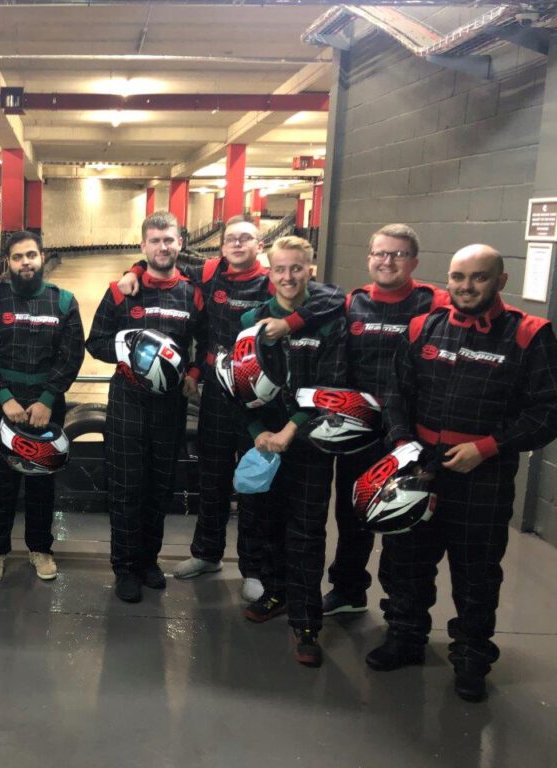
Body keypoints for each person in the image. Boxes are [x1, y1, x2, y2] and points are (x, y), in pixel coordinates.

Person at [117, 215, 344, 602]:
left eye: (246, 239)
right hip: (219, 394)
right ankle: (206, 553)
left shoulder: (275, 278)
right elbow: (162, 258)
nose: (237, 245)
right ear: (221, 247)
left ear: (260, 246)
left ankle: (252, 567)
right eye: (231, 239)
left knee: (253, 483)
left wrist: (292, 321)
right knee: (212, 477)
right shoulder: (210, 274)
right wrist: (133, 269)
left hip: (263, 400)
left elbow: (334, 298)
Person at [372, 244, 557, 702]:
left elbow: (547, 412)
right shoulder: (423, 326)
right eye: (458, 277)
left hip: (483, 474)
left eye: (478, 277)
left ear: (500, 281)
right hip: (420, 467)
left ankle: (472, 656)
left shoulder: (529, 335)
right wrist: (400, 443)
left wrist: (488, 448)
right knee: (405, 559)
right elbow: (396, 393)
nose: (466, 286)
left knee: (476, 572)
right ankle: (406, 636)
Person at [322, 224, 448, 617]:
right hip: (360, 429)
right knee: (352, 510)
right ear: (369, 257)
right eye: (380, 253)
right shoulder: (352, 303)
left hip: (411, 434)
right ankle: (348, 589)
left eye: (396, 254)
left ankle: (400, 608)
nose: (387, 261)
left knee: (403, 519)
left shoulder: (435, 303)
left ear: (413, 261)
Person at [238, 236, 347, 667]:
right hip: (265, 442)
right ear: (269, 273)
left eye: (296, 268)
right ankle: (276, 592)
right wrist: (256, 431)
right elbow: (236, 383)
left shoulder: (329, 323)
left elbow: (330, 386)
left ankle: (306, 622)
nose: (288, 276)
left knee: (306, 532)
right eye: (280, 269)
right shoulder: (251, 319)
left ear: (310, 269)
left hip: (309, 444)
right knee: (266, 524)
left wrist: (290, 431)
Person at [86, 211, 205, 603]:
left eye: (169, 239)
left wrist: (192, 371)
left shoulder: (192, 292)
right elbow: (96, 342)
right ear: (143, 246)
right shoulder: (123, 290)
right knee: (125, 488)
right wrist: (130, 351)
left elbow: (203, 344)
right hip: (128, 402)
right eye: (154, 241)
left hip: (170, 405)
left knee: (159, 486)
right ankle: (124, 568)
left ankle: (148, 561)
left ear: (180, 242)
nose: (163, 246)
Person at [0, 230, 84, 583]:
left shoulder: (64, 301)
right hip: (4, 406)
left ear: (42, 257)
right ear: (7, 263)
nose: (25, 262)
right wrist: (4, 398)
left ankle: (41, 548)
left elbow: (71, 357)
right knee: (1, 482)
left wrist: (47, 400)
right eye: (17, 257)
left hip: (46, 408)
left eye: (31, 255)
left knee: (42, 483)